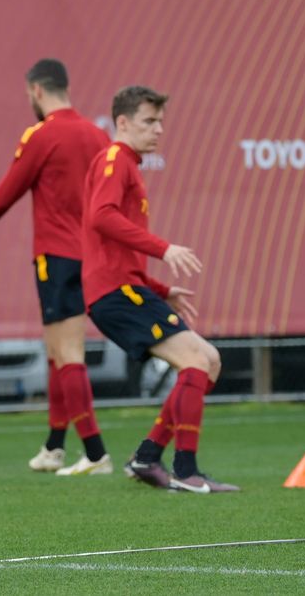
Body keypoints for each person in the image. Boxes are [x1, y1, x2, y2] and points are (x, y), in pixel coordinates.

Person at [0, 59, 111, 476]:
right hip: (91, 257)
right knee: (57, 353)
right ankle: (55, 446)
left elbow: (7, 192)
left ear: (38, 91)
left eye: (28, 96)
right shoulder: (98, 135)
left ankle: (95, 453)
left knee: (67, 352)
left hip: (57, 257)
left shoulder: (42, 135)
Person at [82, 85, 237, 493]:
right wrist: (164, 248)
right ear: (122, 122)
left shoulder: (126, 164)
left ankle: (148, 457)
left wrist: (159, 287)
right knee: (197, 361)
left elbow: (114, 254)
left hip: (124, 288)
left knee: (209, 360)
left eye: (160, 121)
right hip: (115, 293)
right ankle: (186, 471)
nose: (159, 130)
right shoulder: (116, 158)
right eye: (149, 121)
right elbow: (101, 217)